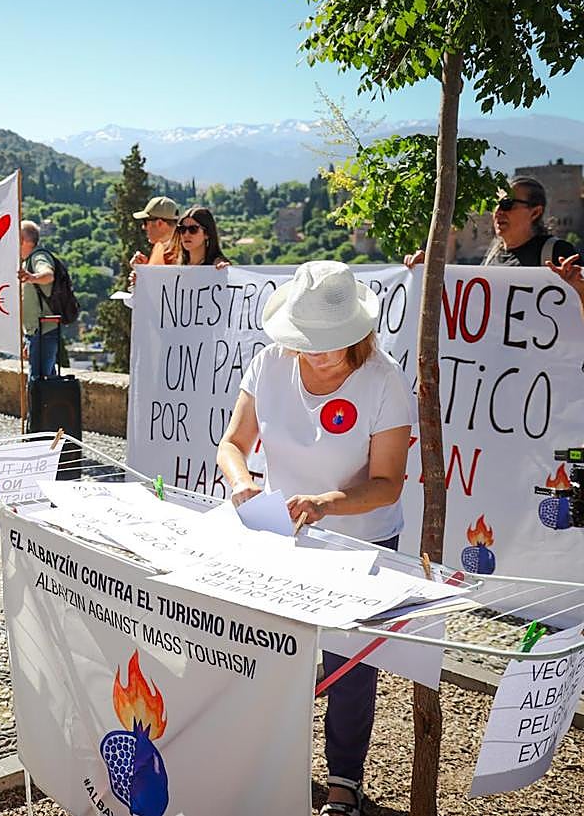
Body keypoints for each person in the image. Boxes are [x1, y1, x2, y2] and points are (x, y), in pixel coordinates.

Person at [216, 260, 413, 816]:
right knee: (270, 649)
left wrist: (328, 504)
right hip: (281, 533)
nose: (319, 352)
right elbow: (232, 443)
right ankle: (263, 759)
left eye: (330, 342)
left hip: (362, 543)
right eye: (307, 342)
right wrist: (242, 483)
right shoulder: (268, 364)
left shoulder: (384, 380)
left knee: (348, 665)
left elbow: (387, 485)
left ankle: (343, 780)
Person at [404, 176, 577, 268]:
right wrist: (425, 271)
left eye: (507, 204)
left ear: (535, 212)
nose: (498, 211)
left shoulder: (558, 253)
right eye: (496, 204)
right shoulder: (493, 255)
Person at [19, 221, 60, 379]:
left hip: (43, 332)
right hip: (37, 332)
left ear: (23, 240)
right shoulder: (28, 261)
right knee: (46, 382)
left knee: (38, 383)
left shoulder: (38, 257)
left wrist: (32, 277)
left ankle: (37, 405)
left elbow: (48, 275)